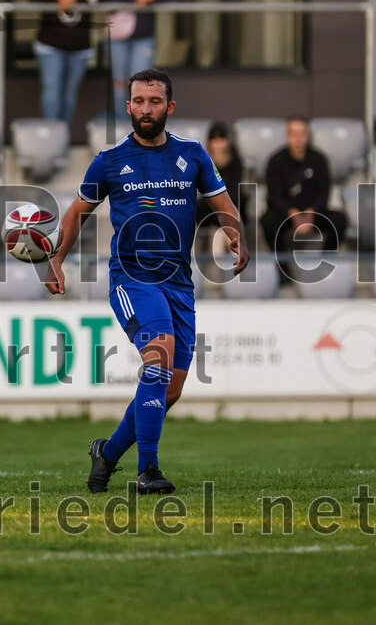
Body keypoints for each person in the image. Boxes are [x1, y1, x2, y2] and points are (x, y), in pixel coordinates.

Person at [45, 68, 248, 496]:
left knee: (169, 390)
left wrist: (236, 234)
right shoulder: (109, 161)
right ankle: (148, 470)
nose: (146, 109)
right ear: (129, 106)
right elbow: (76, 213)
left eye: (154, 102)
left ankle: (107, 452)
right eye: (138, 101)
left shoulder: (192, 155)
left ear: (169, 107)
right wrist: (55, 261)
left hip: (179, 282)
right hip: (132, 277)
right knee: (158, 357)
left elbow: (222, 201)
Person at [261, 115, 348, 281]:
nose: (298, 137)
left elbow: (324, 192)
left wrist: (311, 211)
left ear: (308, 135)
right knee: (267, 222)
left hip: (312, 212)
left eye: (302, 133)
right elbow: (274, 195)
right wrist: (292, 212)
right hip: (286, 213)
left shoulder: (319, 159)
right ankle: (282, 270)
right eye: (293, 133)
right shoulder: (276, 160)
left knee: (340, 220)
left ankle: (325, 265)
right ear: (287, 135)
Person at [28, 0, 106, 126]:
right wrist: (56, 1)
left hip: (79, 48)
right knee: (52, 90)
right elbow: (32, 0)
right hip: (50, 45)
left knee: (69, 93)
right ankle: (51, 134)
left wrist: (76, 1)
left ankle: (62, 131)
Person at [106, 0, 176, 118]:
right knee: (120, 82)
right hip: (118, 37)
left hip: (143, 37)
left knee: (140, 83)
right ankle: (122, 122)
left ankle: (138, 123)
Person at [196, 122, 245, 252]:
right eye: (214, 140)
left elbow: (233, 191)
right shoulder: (204, 161)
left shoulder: (236, 162)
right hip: (209, 211)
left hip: (229, 208)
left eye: (221, 139)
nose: (218, 144)